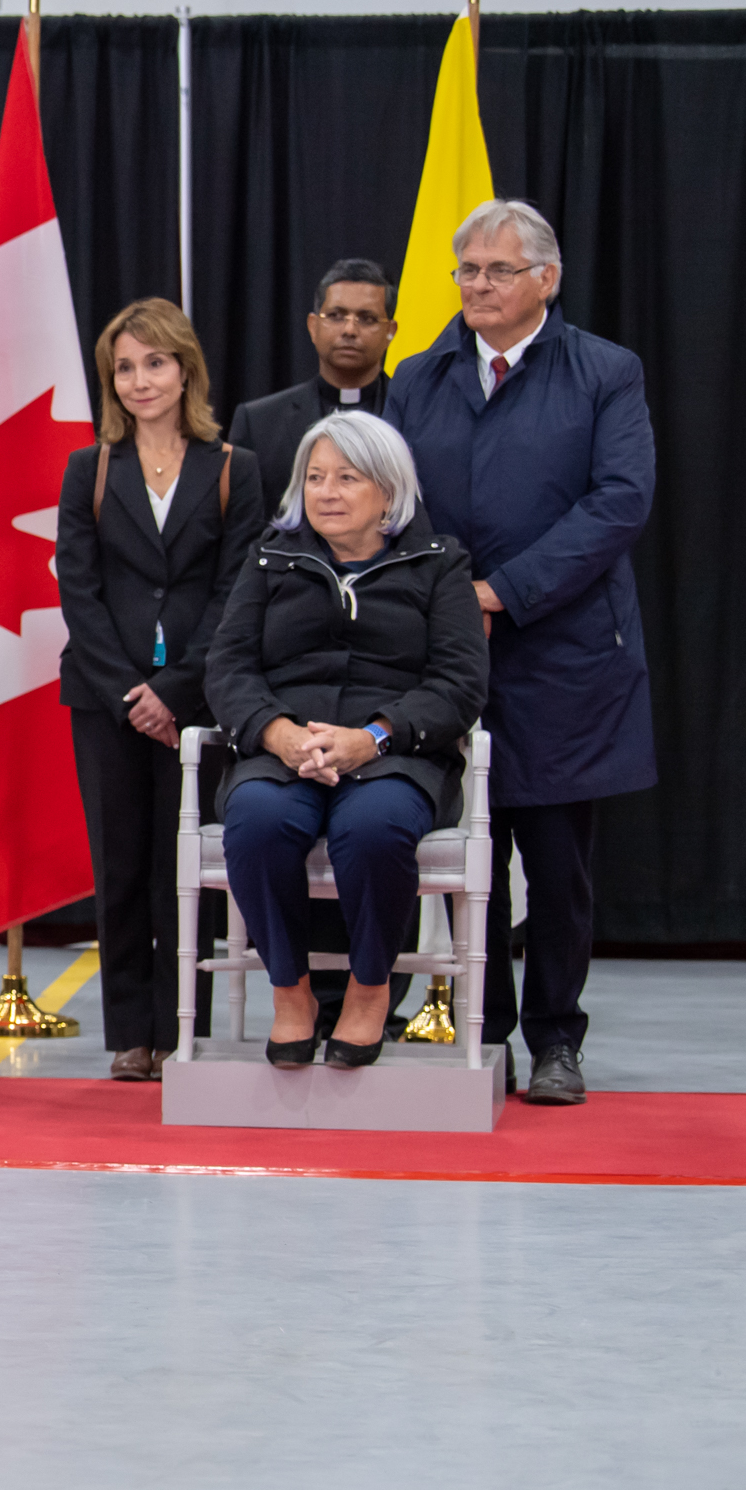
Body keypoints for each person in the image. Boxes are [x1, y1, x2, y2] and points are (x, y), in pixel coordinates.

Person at [382, 199, 654, 1106]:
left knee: (556, 862)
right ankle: (481, 1030)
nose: (479, 285)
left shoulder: (605, 371)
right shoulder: (417, 376)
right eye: (467, 270)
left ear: (548, 278)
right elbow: (394, 501)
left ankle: (556, 1040)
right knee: (468, 856)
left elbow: (619, 501)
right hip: (447, 653)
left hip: (564, 653)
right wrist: (447, 595)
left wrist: (502, 590)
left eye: (499, 270)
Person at [206, 412, 487, 1068]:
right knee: (258, 822)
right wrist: (275, 732)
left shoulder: (439, 563)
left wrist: (375, 736)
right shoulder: (271, 558)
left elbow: (460, 683)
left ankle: (369, 988)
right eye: (314, 477)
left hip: (395, 757)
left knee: (375, 829)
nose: (326, 492)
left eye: (347, 478)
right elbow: (228, 666)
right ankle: (290, 990)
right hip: (285, 751)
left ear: (388, 490)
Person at [56, 300, 260, 1081]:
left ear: (185, 370)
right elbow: (79, 592)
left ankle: (182, 1027)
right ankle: (129, 1034)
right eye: (125, 367)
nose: (140, 380)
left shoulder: (233, 467)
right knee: (120, 867)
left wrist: (174, 690)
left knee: (186, 869)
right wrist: (129, 693)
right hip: (105, 699)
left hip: (197, 705)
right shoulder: (90, 468)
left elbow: (237, 593)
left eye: (154, 363)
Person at [228, 260, 397, 519]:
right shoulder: (258, 423)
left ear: (390, 331)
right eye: (336, 316)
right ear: (312, 326)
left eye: (367, 319)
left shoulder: (418, 415)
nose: (350, 330)